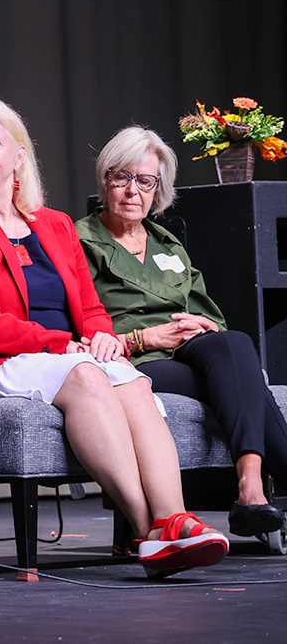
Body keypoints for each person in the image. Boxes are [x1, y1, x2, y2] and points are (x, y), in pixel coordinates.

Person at [0, 97, 228, 578]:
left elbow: (91, 308)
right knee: (86, 375)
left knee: (131, 380)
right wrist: (63, 345)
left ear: (18, 156)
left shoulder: (56, 224)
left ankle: (173, 519)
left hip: (65, 351)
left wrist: (102, 337)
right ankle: (146, 531)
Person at [76, 126, 287, 537]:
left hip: (186, 347)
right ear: (105, 180)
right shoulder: (79, 241)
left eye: (145, 181)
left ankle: (250, 485)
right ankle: (251, 494)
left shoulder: (166, 243)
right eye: (122, 177)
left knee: (234, 343)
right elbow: (77, 326)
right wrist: (144, 338)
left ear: (158, 189)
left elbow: (206, 310)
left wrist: (206, 324)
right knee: (243, 383)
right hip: (132, 361)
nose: (133, 191)